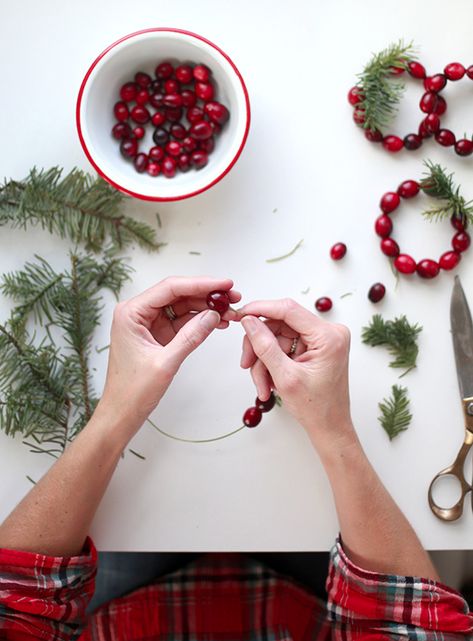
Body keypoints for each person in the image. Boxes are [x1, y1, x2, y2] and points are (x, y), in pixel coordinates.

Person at [0, 275, 471, 641]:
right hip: (309, 605)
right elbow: (415, 625)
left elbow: (13, 597)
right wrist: (335, 432)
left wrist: (117, 412)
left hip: (129, 603)